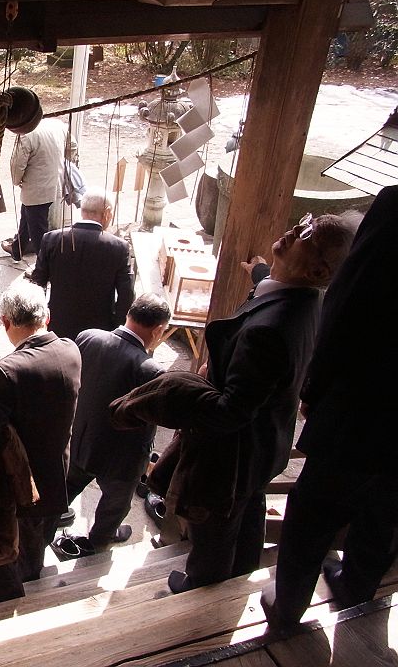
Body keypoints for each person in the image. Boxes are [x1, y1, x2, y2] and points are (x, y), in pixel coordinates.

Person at [113, 212, 358, 594]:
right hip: (266, 445)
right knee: (249, 508)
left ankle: (203, 587)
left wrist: (176, 390)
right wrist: (260, 273)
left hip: (232, 458)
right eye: (304, 220)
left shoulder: (268, 332)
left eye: (307, 233)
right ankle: (243, 572)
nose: (295, 228)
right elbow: (273, 294)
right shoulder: (307, 300)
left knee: (215, 526)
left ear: (317, 270)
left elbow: (231, 411)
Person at [260, 187, 397, 628]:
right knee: (386, 510)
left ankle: (287, 607)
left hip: (367, 401)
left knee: (314, 511)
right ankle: (357, 593)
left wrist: (316, 389)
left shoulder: (394, 208)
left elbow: (350, 303)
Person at [0, 280, 82, 605]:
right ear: (47, 317)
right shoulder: (70, 350)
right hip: (55, 476)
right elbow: (35, 386)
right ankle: (30, 577)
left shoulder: (6, 375)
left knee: (3, 549)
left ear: (5, 322)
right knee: (35, 544)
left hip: (18, 485)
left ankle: (8, 598)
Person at [62, 293, 171, 554]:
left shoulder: (88, 337)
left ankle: (45, 524)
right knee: (115, 503)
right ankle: (101, 538)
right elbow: (151, 420)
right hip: (121, 458)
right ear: (158, 330)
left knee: (65, 488)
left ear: (129, 314)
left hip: (81, 438)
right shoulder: (152, 371)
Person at [28, 191, 135, 340]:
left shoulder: (52, 239)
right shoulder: (119, 247)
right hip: (100, 330)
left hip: (58, 324)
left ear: (82, 211)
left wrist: (39, 320)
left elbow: (37, 284)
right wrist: (117, 328)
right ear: (107, 212)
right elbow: (126, 295)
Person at [1, 117, 77, 262]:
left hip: (36, 189)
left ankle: (44, 267)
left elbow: (17, 164)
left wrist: (17, 181)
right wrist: (61, 164)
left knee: (38, 232)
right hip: (55, 183)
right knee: (26, 217)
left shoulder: (27, 133)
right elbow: (73, 146)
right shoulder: (57, 125)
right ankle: (17, 249)